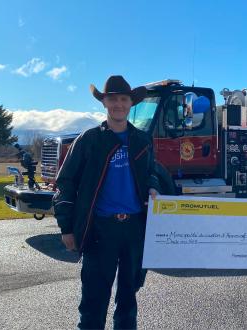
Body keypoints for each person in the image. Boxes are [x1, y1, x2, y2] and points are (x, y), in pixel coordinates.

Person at [53, 75, 161, 329]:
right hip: (100, 229)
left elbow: (151, 172)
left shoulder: (141, 140)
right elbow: (66, 182)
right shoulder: (89, 140)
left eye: (123, 99)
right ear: (105, 103)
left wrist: (154, 186)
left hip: (134, 229)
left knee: (128, 298)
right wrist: (66, 228)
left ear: (130, 103)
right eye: (113, 99)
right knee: (93, 300)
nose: (118, 104)